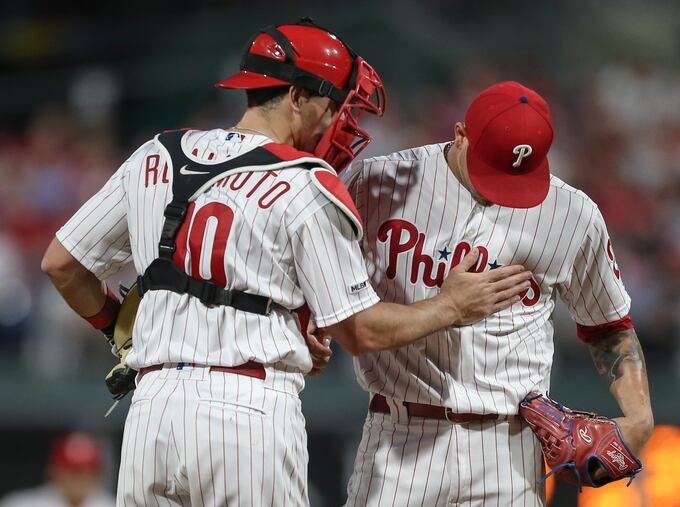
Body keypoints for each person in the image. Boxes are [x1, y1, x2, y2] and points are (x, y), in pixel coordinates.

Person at [40, 20, 532, 506]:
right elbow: (360, 330)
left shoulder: (156, 155)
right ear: (297, 97)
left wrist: (119, 327)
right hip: (246, 414)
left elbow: (62, 264)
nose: (342, 121)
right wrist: (451, 306)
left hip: (151, 412)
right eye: (335, 105)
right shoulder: (305, 181)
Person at [339, 81, 654, 506]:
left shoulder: (572, 213)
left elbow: (608, 324)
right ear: (460, 134)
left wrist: (640, 414)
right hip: (399, 438)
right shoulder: (378, 183)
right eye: (491, 168)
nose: (502, 186)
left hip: (509, 450)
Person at [0, 432, 115, 507]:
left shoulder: (114, 504)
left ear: (97, 475)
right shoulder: (20, 504)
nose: (76, 479)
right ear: (53, 471)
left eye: (83, 472)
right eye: (70, 471)